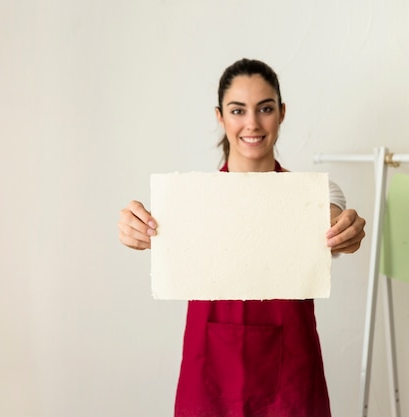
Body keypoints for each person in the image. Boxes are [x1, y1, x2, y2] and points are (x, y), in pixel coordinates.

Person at [118, 58, 366, 417]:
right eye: (238, 110)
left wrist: (345, 231)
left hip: (291, 383)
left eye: (265, 109)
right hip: (210, 381)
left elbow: (332, 220)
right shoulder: (188, 203)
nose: (252, 123)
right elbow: (148, 228)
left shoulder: (314, 196)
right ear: (220, 117)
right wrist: (134, 227)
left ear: (281, 113)